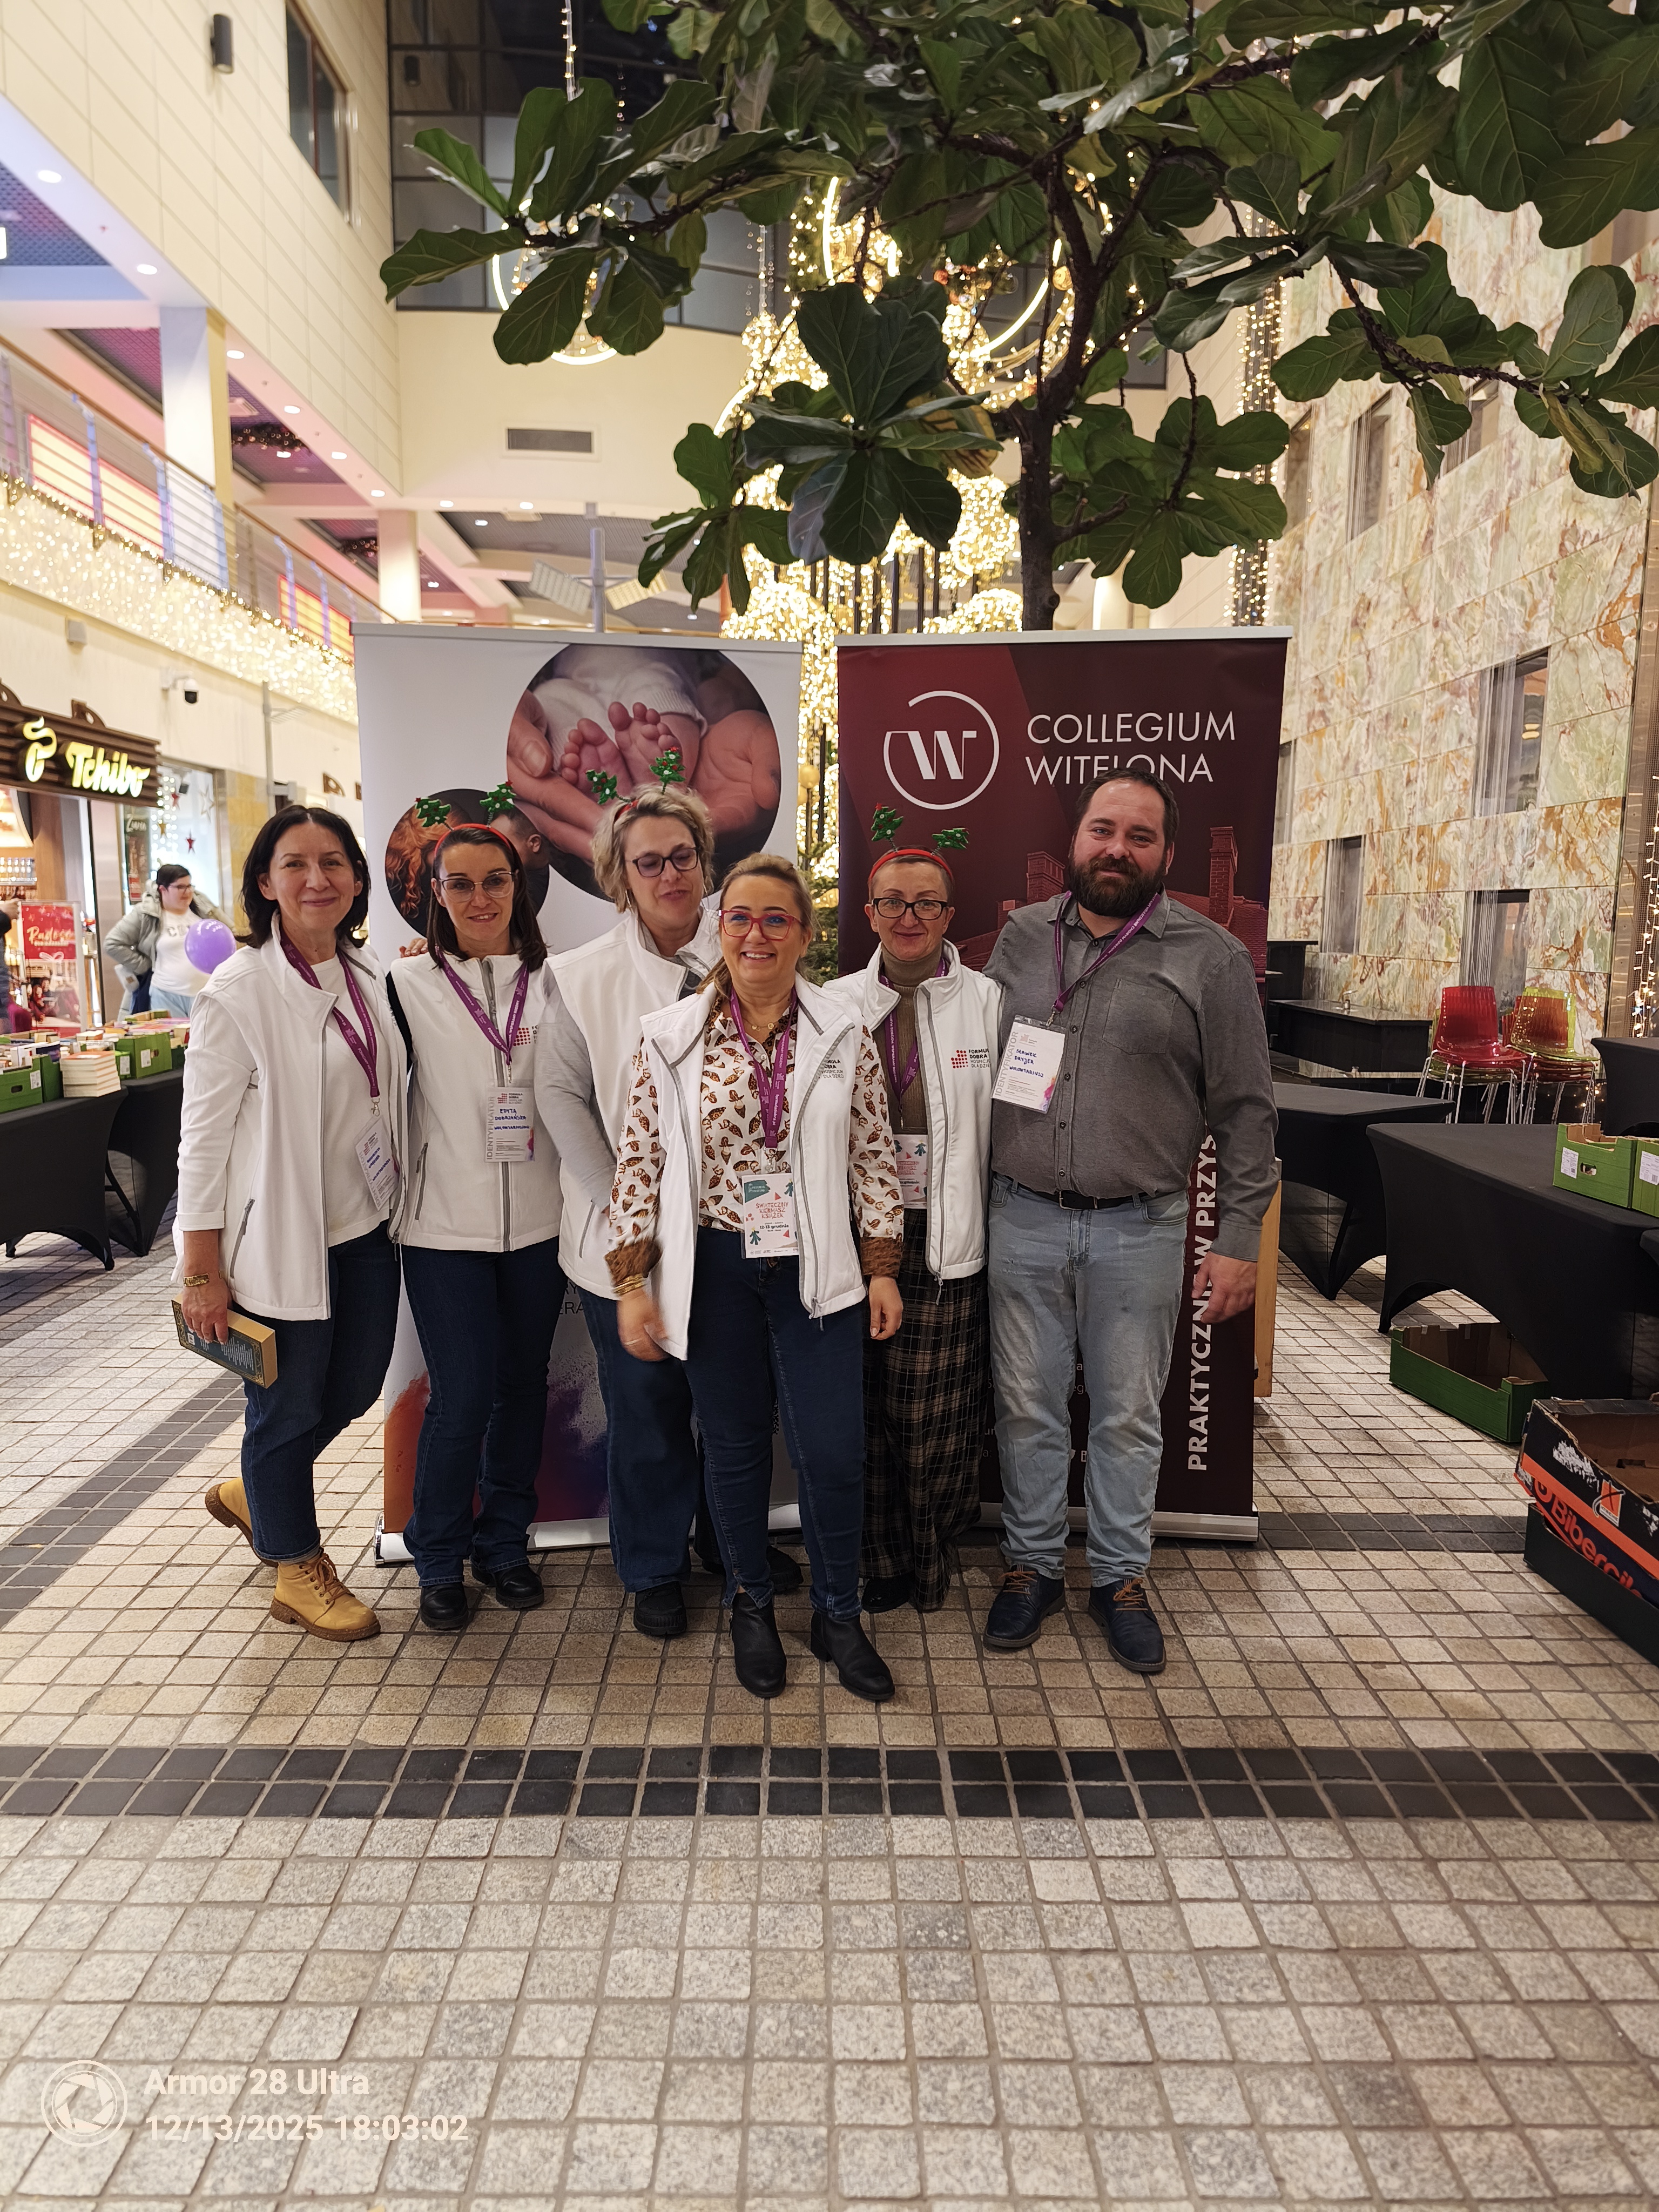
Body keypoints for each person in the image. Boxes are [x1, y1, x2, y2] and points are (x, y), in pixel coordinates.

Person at [981, 771, 1277, 1672]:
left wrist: (1237, 1242)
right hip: (1021, 1217)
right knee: (1026, 1408)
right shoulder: (1021, 939)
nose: (1117, 848)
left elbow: (1247, 1112)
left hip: (1141, 1228)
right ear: (1075, 841)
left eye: (1139, 836)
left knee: (1126, 1418)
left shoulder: (1211, 957)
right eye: (1103, 830)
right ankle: (1032, 1566)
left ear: (1167, 854)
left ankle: (1118, 1578)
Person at [606, 853, 905, 1703]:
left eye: (777, 918)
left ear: (805, 935)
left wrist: (883, 1265)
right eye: (739, 917)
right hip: (714, 1270)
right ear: (720, 929)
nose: (756, 934)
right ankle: (752, 1605)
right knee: (734, 1450)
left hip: (819, 1268)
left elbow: (872, 1154)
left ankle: (839, 1614)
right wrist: (631, 1281)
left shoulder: (844, 1031)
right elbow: (639, 1161)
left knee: (833, 1453)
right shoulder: (669, 1037)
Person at [537, 785, 802, 1639]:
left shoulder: (752, 948)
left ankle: (732, 1548)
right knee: (648, 1410)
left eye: (682, 857)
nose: (669, 875)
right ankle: (653, 1566)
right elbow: (560, 1097)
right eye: (647, 862)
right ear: (621, 876)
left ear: (704, 862)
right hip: (630, 1245)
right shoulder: (581, 977)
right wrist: (625, 1212)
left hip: (734, 1236)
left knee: (733, 1408)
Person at [179, 806, 407, 1642]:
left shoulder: (366, 971)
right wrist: (201, 1269)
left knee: (356, 1386)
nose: (318, 879)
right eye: (296, 864)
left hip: (365, 1227)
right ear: (266, 883)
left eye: (334, 862)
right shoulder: (239, 993)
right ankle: (296, 1567)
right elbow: (201, 1141)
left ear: (357, 878)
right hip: (281, 1239)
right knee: (286, 1406)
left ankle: (258, 1488)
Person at [386, 821, 565, 1632]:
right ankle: (437, 1556)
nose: (480, 898)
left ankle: (502, 1544)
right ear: (436, 894)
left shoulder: (557, 980)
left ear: (517, 887)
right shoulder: (403, 986)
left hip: (541, 1223)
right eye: (460, 883)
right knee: (461, 1397)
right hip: (441, 1230)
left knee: (523, 1387)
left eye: (495, 880)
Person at [827, 831, 1002, 1612]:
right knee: (865, 1412)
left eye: (926, 903)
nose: (909, 916)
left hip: (948, 1236)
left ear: (949, 916)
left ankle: (930, 1557)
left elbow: (1017, 1120)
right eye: (893, 902)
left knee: (933, 1419)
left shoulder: (989, 1004)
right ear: (868, 912)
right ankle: (880, 1562)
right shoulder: (832, 1005)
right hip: (860, 1236)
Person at [104, 864, 226, 1016]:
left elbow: (228, 938)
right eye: (180, 887)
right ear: (163, 889)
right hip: (166, 995)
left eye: (189, 886)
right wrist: (145, 966)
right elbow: (113, 944)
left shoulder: (203, 910)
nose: (188, 892)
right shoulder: (146, 913)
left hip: (205, 992)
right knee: (173, 1033)